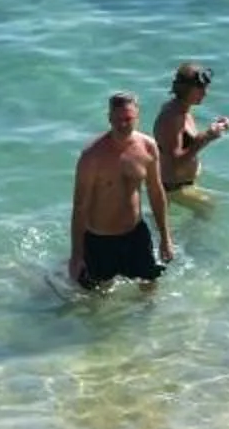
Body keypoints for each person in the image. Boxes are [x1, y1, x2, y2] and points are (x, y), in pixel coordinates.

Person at [69, 92, 174, 288]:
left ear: (137, 117)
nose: (123, 124)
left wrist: (165, 238)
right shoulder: (92, 156)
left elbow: (156, 192)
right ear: (109, 118)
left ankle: (153, 320)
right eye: (118, 119)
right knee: (96, 300)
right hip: (100, 240)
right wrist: (76, 255)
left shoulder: (148, 147)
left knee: (150, 287)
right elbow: (80, 206)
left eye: (128, 119)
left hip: (135, 234)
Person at [154, 63, 229, 196]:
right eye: (200, 89)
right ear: (186, 89)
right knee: (207, 209)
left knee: (204, 211)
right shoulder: (172, 117)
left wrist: (215, 128)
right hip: (174, 187)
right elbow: (175, 163)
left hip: (183, 183)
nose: (205, 93)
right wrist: (207, 136)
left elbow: (187, 141)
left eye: (206, 88)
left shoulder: (182, 109)